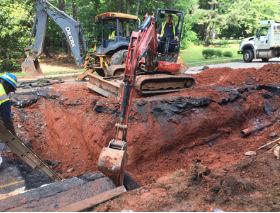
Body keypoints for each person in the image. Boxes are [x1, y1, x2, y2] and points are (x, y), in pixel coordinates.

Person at [0, 73, 17, 170]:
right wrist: (13, 134)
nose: (9, 93)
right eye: (11, 90)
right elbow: (7, 121)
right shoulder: (3, 97)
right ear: (7, 86)